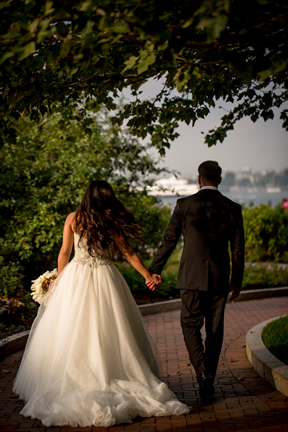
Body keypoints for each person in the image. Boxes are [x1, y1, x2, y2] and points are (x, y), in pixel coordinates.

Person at [13, 180, 190, 427]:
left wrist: (59, 280)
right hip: (105, 277)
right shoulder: (108, 219)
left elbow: (65, 252)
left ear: (87, 196)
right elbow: (128, 252)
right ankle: (113, 371)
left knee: (72, 328)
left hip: (76, 276)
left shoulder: (73, 218)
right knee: (112, 328)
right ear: (106, 198)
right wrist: (147, 275)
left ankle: (76, 376)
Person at [148, 161, 245, 398]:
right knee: (214, 330)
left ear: (199, 179)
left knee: (189, 325)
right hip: (219, 278)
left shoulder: (184, 205)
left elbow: (169, 241)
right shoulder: (233, 207)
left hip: (191, 276)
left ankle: (201, 372)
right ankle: (207, 377)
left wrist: (153, 270)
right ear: (219, 180)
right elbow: (239, 249)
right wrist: (237, 281)